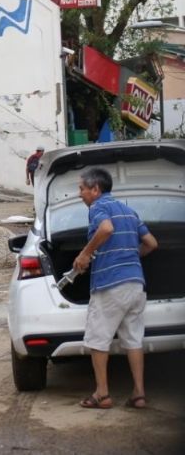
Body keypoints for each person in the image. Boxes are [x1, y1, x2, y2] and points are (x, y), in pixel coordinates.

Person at [73, 168, 158, 410]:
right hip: (136, 285)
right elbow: (152, 243)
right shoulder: (130, 211)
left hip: (111, 284)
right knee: (133, 339)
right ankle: (139, 394)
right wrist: (130, 257)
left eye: (81, 189)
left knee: (98, 340)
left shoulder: (98, 208)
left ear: (95, 189)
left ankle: (102, 394)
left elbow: (107, 229)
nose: (80, 194)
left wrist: (85, 253)